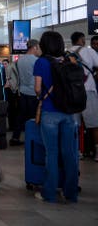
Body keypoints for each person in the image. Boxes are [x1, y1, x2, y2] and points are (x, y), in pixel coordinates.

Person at [33, 31, 78, 203]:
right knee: (70, 153)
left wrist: (42, 96)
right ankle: (71, 193)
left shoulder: (42, 62)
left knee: (51, 153)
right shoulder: (68, 60)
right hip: (69, 113)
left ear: (44, 45)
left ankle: (49, 193)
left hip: (50, 112)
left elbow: (37, 88)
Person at [70, 32, 98, 161]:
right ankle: (97, 152)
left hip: (72, 93)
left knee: (74, 125)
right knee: (94, 124)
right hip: (88, 91)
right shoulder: (89, 52)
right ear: (82, 40)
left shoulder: (67, 53)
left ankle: (76, 152)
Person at [16, 39, 41, 139]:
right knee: (33, 117)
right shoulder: (36, 61)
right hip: (34, 92)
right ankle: (33, 137)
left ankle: (16, 136)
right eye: (38, 48)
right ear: (34, 47)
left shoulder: (20, 60)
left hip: (22, 91)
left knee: (21, 115)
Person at [2, 58, 21, 145]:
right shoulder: (6, 69)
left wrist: (13, 87)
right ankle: (12, 125)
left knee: (13, 109)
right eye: (3, 64)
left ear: (8, 63)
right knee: (11, 109)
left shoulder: (10, 68)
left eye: (5, 63)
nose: (4, 65)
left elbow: (14, 79)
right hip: (11, 90)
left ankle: (13, 126)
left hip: (12, 90)